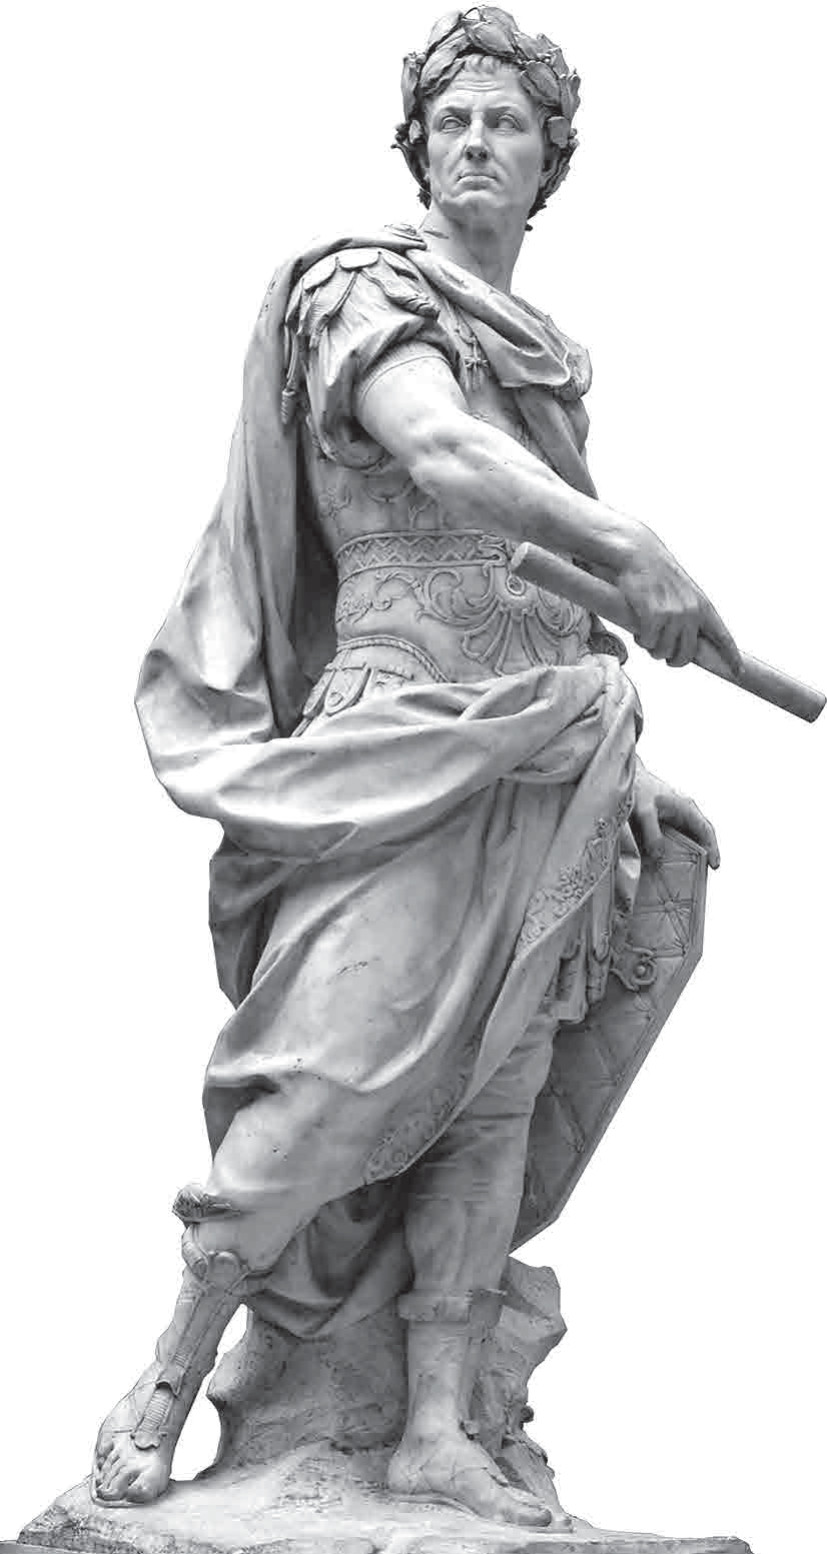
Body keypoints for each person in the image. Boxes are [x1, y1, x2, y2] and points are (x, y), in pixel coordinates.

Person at [93, 7, 738, 1528]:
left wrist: (623, 754)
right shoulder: (360, 291)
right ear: (418, 147)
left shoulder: (552, 354)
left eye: (508, 123)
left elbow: (540, 580)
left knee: (496, 1092)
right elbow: (440, 453)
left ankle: (436, 1429)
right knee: (330, 1074)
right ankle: (165, 1381)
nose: (477, 144)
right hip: (396, 732)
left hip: (545, 747)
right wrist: (629, 541)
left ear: (550, 162)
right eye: (454, 120)